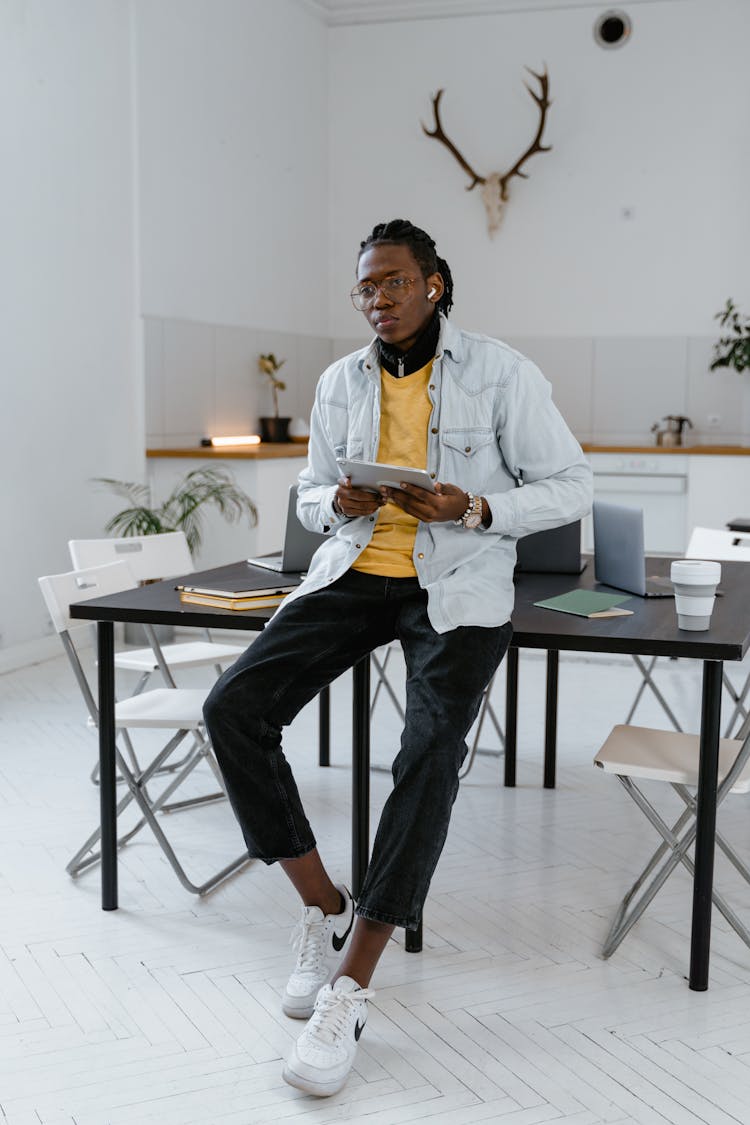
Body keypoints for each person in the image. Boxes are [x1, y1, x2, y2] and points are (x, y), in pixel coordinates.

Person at [203, 218, 593, 1098]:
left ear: (435, 284)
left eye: (393, 283)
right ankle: (322, 904)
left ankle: (352, 980)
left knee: (427, 751)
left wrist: (476, 506)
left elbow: (572, 482)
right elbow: (308, 492)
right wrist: (333, 497)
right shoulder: (341, 380)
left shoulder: (501, 370)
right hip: (356, 572)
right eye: (365, 288)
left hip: (456, 584)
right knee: (233, 707)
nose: (378, 300)